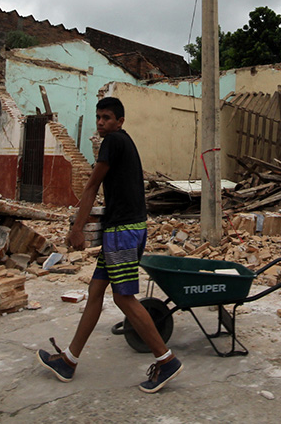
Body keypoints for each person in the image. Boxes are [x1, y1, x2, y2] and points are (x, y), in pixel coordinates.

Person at [37, 97, 183, 393]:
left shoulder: (112, 141)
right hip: (123, 228)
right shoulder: (121, 140)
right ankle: (69, 360)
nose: (101, 122)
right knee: (95, 291)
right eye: (98, 117)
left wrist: (77, 228)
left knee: (123, 298)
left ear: (119, 121)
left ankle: (166, 360)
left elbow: (91, 185)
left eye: (107, 118)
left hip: (123, 231)